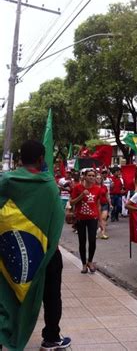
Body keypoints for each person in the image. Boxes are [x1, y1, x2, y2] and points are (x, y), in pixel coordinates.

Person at [0, 140, 71, 350]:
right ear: (41, 159)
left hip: (8, 251)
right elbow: (55, 220)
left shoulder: (5, 181)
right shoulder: (48, 186)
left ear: (20, 158)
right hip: (46, 254)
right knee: (51, 297)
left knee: (5, 292)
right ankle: (51, 338)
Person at [70, 169, 101, 273]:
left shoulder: (97, 189)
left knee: (92, 241)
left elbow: (98, 205)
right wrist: (82, 195)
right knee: (82, 242)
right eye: (89, 175)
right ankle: (83, 264)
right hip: (80, 218)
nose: (92, 177)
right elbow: (72, 202)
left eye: (93, 175)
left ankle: (90, 261)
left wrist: (100, 220)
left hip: (93, 218)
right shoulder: (77, 188)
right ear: (85, 177)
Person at [96, 173, 111, 240]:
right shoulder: (93, 186)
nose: (99, 179)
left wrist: (110, 204)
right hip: (96, 205)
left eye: (100, 178)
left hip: (104, 204)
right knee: (96, 220)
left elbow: (107, 196)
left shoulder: (104, 187)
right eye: (97, 178)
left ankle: (103, 234)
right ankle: (95, 232)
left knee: (103, 218)